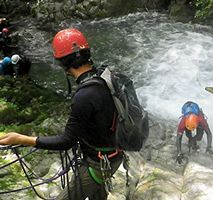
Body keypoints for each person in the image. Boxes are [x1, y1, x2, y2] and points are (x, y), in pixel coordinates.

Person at [0, 28, 124, 200]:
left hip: (98, 163)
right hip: (113, 154)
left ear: (63, 64)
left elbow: (66, 141)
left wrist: (22, 139)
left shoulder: (84, 95)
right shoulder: (104, 76)